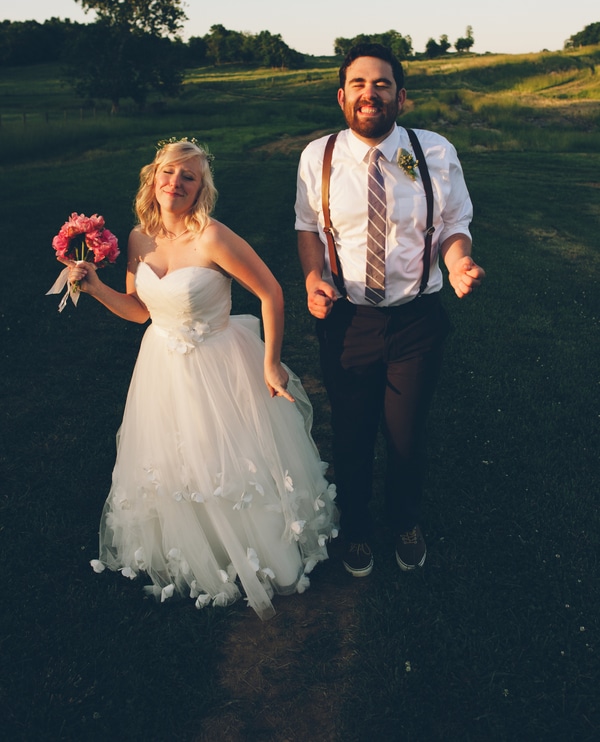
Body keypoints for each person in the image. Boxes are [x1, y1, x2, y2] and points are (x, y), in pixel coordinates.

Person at [58, 138, 337, 620]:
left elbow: (271, 293)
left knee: (228, 460)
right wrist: (96, 287)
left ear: (201, 189)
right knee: (176, 461)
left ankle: (260, 551)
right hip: (162, 367)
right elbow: (140, 311)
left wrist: (272, 363)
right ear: (153, 179)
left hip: (219, 363)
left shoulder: (211, 237)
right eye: (169, 172)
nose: (176, 182)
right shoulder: (139, 239)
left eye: (189, 176)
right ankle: (198, 549)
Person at [295, 43, 485, 578]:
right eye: (358, 84)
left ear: (401, 97)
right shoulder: (318, 157)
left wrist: (459, 262)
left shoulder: (435, 151)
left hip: (416, 320)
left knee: (406, 435)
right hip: (348, 320)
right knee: (352, 433)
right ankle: (356, 527)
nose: (370, 93)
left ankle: (404, 521)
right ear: (341, 96)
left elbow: (454, 223)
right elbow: (308, 227)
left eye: (382, 84)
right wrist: (313, 278)